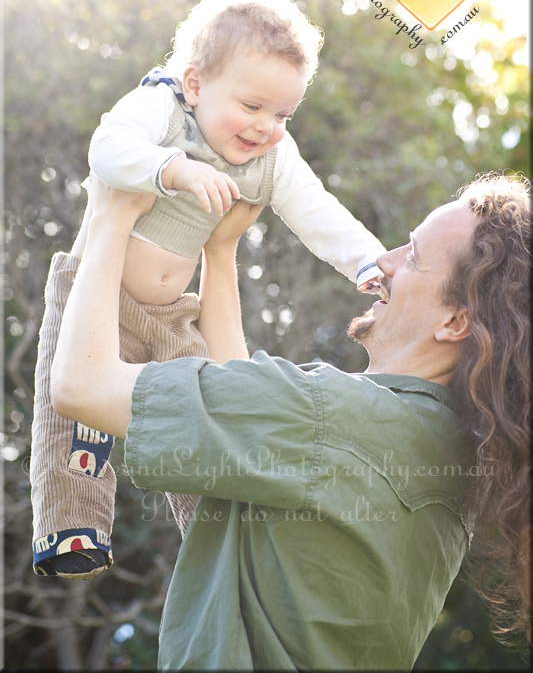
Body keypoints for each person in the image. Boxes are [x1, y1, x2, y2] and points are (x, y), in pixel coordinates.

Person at [51, 172, 531, 669]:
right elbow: (242, 405)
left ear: (455, 322)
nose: (383, 262)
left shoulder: (334, 415)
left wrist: (110, 213)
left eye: (411, 256)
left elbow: (81, 386)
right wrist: (221, 252)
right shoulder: (439, 444)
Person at [30, 0, 386, 579]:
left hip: (174, 312)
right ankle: (71, 529)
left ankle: (215, 531)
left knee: (210, 410)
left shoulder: (272, 153)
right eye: (252, 106)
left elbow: (315, 208)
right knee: (73, 422)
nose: (267, 126)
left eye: (283, 113)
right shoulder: (163, 107)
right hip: (98, 293)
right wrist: (172, 169)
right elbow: (108, 148)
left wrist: (368, 262)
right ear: (196, 83)